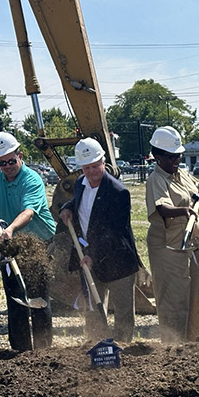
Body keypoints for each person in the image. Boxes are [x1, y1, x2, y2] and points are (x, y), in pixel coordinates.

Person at [0, 132, 56, 350]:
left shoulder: (32, 179)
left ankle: (44, 351)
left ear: (20, 155)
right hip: (10, 245)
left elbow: (29, 212)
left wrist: (9, 229)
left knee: (38, 298)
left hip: (38, 242)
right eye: (2, 162)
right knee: (16, 299)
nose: (7, 166)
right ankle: (20, 351)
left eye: (11, 160)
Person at [58, 138, 140, 342]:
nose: (92, 171)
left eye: (96, 166)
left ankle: (122, 349)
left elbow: (115, 232)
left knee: (122, 312)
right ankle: (97, 346)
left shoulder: (119, 192)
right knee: (93, 307)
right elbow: (79, 201)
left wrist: (92, 255)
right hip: (89, 255)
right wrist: (67, 207)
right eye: (87, 167)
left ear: (104, 162)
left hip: (118, 259)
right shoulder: (80, 183)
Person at [145, 126, 199, 343]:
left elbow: (196, 191)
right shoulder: (156, 179)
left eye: (179, 155)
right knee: (173, 296)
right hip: (168, 247)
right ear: (157, 156)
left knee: (193, 294)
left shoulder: (180, 173)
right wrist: (184, 210)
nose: (176, 160)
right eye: (171, 156)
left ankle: (191, 339)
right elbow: (162, 208)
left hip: (190, 243)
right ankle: (173, 343)